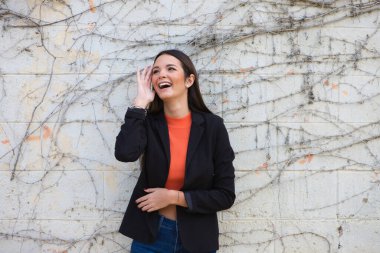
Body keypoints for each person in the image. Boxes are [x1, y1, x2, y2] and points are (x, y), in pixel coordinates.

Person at [114, 49, 235, 253]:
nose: (161, 74)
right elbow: (125, 154)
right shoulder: (149, 124)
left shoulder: (213, 127)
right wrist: (140, 104)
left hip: (197, 239)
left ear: (189, 80)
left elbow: (225, 195)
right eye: (156, 71)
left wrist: (173, 197)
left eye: (170, 69)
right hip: (151, 236)